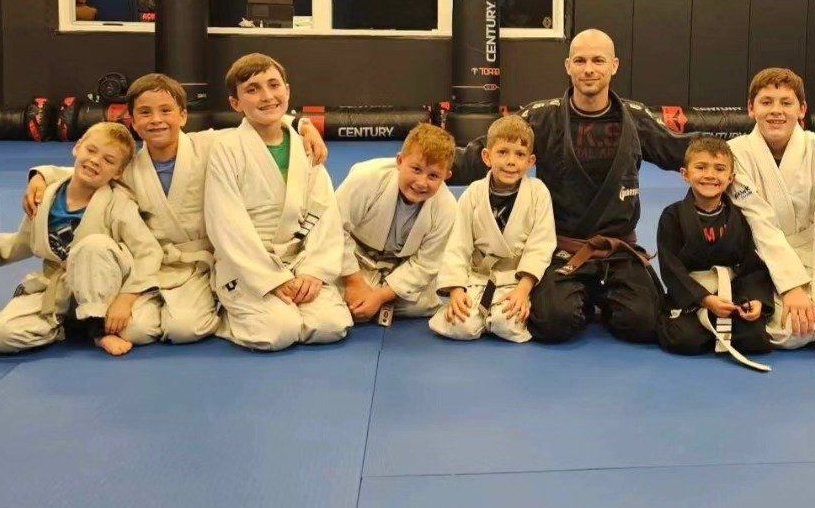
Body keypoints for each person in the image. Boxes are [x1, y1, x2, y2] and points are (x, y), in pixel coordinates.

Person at [21, 73, 329, 342]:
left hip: (197, 262)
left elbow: (257, 126)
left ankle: (225, 312)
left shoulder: (211, 146)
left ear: (182, 116)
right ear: (133, 121)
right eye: (145, 113)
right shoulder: (127, 166)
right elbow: (88, 169)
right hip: (148, 263)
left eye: (166, 111)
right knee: (134, 332)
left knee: (186, 331)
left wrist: (300, 123)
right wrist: (43, 176)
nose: (156, 120)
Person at [453, 28, 693, 344]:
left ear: (614, 66)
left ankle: (604, 298)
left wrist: (742, 155)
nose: (589, 69)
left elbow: (682, 151)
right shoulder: (543, 117)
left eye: (598, 60)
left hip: (617, 250)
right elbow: (486, 150)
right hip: (561, 249)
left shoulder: (635, 118)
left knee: (645, 323)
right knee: (553, 322)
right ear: (568, 66)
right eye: (580, 60)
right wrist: (430, 164)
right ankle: (586, 297)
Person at [205, 53, 351, 351]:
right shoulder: (225, 147)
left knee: (330, 326)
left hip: (298, 259)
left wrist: (315, 270)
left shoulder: (306, 146)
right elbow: (227, 223)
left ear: (287, 90)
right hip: (248, 264)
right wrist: (271, 279)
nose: (267, 96)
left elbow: (323, 214)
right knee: (277, 332)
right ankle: (225, 309)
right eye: (252, 89)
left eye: (274, 85)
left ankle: (295, 294)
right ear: (235, 103)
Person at [0, 122, 162, 357]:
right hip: (59, 286)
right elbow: (21, 244)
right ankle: (68, 325)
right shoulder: (45, 197)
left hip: (105, 287)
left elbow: (149, 252)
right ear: (77, 147)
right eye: (91, 151)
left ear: (119, 173)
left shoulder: (119, 203)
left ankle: (99, 329)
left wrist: (125, 299)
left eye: (109, 160)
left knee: (93, 246)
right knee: (1, 337)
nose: (95, 161)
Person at [727, 67, 815, 351]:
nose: (776, 111)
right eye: (766, 102)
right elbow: (759, 222)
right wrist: (792, 288)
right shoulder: (736, 152)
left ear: (802, 109)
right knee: (792, 334)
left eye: (786, 103)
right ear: (751, 109)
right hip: (763, 259)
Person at [431, 115, 556, 343]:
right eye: (503, 152)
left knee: (506, 324)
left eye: (520, 154)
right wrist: (456, 290)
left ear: (531, 161)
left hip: (515, 280)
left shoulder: (538, 193)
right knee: (461, 327)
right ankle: (475, 311)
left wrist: (523, 289)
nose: (511, 161)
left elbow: (541, 245)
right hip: (477, 278)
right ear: (487, 157)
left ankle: (499, 312)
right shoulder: (473, 193)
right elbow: (457, 245)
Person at [657, 137, 773, 366]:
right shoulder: (672, 216)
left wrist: (757, 300)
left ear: (730, 179)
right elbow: (671, 268)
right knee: (684, 341)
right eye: (700, 167)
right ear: (685, 174)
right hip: (692, 296)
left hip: (730, 292)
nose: (710, 175)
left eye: (720, 169)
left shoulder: (739, 217)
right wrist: (705, 299)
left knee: (756, 340)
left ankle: (718, 327)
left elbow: (752, 266)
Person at [337, 123, 458, 325]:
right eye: (416, 169)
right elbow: (333, 227)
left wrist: (381, 296)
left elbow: (426, 264)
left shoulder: (447, 208)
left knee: (420, 304)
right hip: (356, 260)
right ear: (400, 161)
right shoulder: (366, 178)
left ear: (447, 176)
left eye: (433, 176)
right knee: (326, 295)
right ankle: (360, 297)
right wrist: (353, 282)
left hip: (400, 267)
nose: (421, 182)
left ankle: (374, 302)